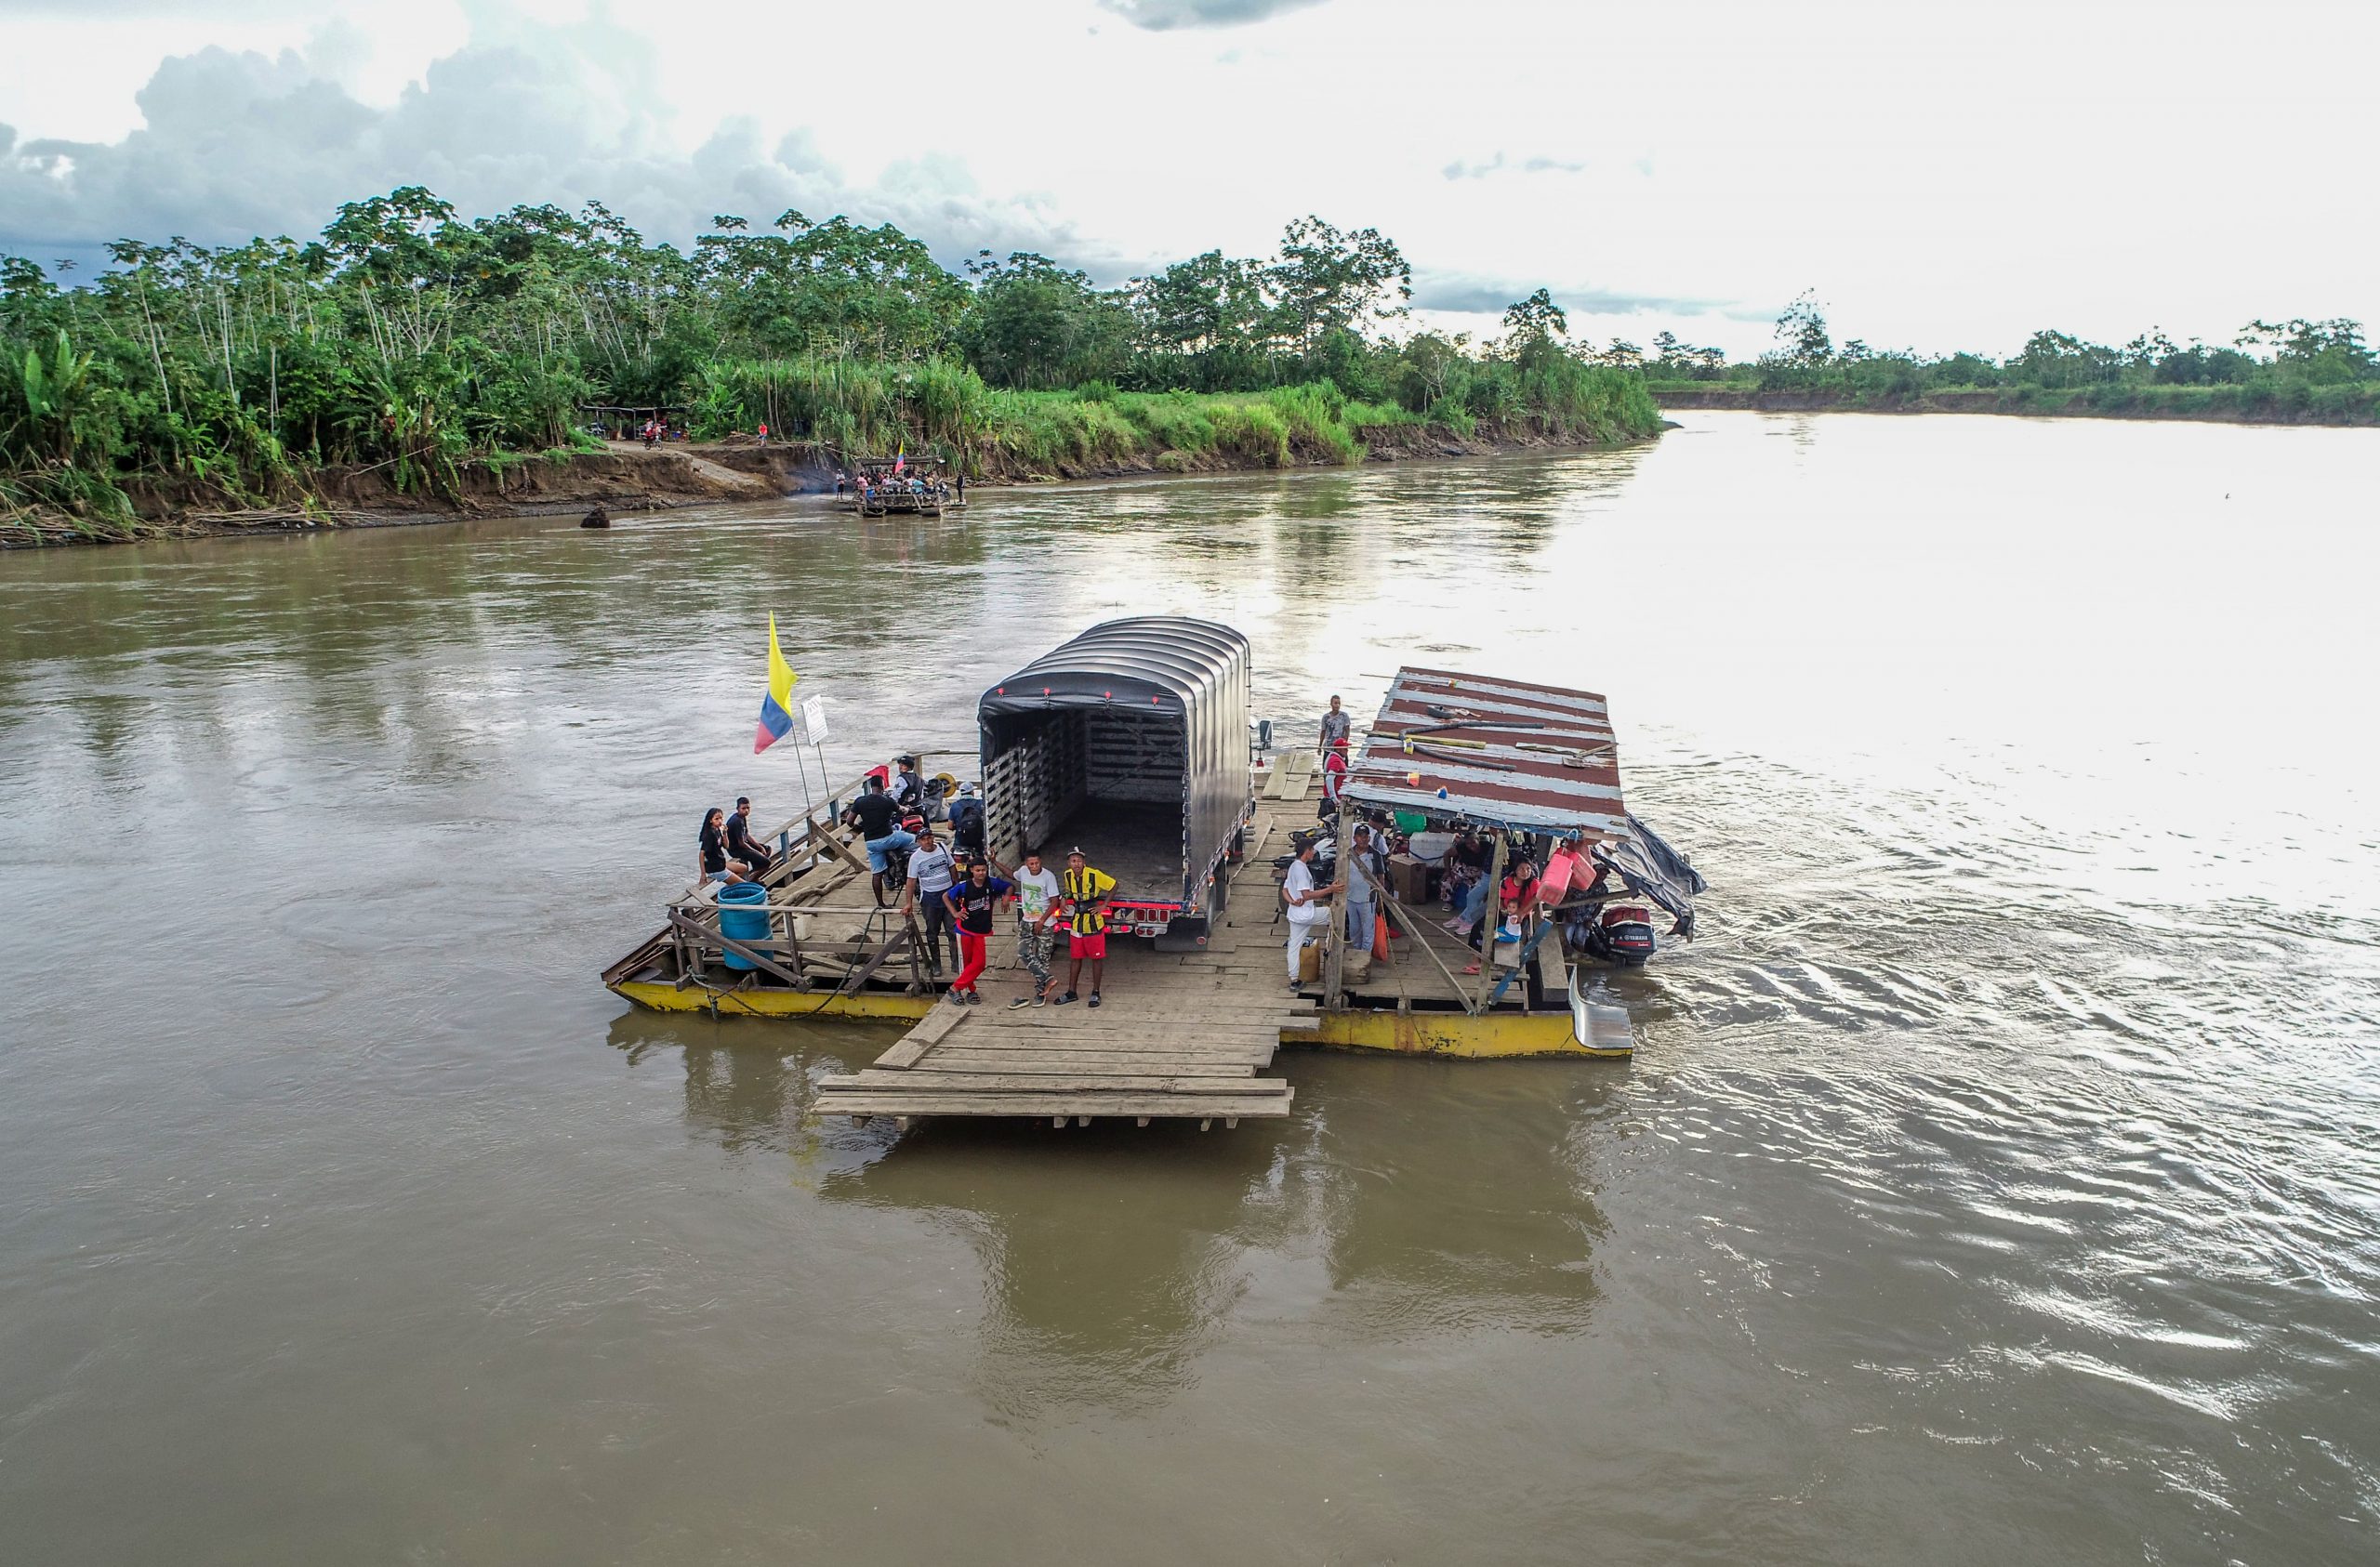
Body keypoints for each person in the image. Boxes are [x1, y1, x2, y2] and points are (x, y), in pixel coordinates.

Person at [940, 858, 1014, 1006]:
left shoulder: (991, 883)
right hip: (965, 929)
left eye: (983, 870)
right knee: (965, 963)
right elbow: (945, 896)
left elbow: (1010, 886)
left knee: (979, 963)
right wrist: (955, 913)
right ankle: (969, 990)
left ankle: (955, 988)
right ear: (972, 871)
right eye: (978, 870)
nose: (981, 873)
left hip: (981, 929)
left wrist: (1006, 897)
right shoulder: (964, 886)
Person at [998, 846, 1064, 1007]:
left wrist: (1042, 920)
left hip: (1045, 923)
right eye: (1031, 864)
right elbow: (1010, 875)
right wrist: (994, 861)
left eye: (1036, 863)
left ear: (1040, 861)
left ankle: (1040, 993)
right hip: (1027, 921)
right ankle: (1048, 979)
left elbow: (1054, 901)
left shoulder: (1048, 877)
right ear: (1026, 864)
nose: (1034, 867)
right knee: (1023, 953)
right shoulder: (1023, 871)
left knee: (1042, 958)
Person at [1052, 849, 1117, 1007]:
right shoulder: (1068, 874)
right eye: (1073, 861)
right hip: (1077, 923)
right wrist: (1063, 899)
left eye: (1079, 861)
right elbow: (1068, 891)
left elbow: (1114, 885)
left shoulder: (1094, 875)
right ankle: (1071, 992)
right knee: (1075, 958)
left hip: (1093, 922)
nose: (1077, 864)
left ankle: (1096, 992)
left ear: (1084, 862)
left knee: (1096, 958)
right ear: (1069, 863)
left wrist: (1105, 905)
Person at [1281, 838, 1342, 990]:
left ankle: (1294, 980)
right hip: (1306, 914)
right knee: (1333, 914)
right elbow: (1307, 895)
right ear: (1307, 851)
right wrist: (1330, 890)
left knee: (1294, 946)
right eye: (1313, 850)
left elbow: (1285, 890)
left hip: (1295, 913)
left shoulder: (1293, 867)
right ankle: (1329, 948)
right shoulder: (1301, 869)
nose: (1314, 852)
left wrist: (1292, 901)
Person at [841, 776, 914, 901]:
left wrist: (859, 828)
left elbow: (849, 821)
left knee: (876, 874)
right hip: (889, 838)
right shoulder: (887, 800)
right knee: (913, 839)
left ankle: (881, 904)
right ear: (882, 786)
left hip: (872, 843)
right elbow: (903, 811)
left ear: (870, 786)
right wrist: (908, 808)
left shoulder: (860, 801)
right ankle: (906, 863)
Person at [902, 826, 960, 975]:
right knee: (932, 932)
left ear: (933, 837)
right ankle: (936, 964)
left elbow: (952, 867)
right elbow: (911, 881)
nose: (927, 841)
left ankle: (956, 962)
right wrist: (908, 902)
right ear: (919, 842)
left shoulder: (942, 847)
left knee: (952, 930)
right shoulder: (916, 858)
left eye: (929, 837)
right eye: (923, 839)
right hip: (930, 899)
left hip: (948, 895)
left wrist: (957, 888)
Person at [1342, 823, 1386, 951]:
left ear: (1369, 838)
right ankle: (1356, 955)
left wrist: (1380, 899)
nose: (1363, 839)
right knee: (1354, 930)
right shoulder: (1348, 854)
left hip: (1368, 900)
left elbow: (1381, 877)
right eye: (1360, 836)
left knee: (1368, 930)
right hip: (1350, 898)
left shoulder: (1376, 855)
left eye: (1366, 836)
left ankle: (1365, 958)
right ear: (1355, 838)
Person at [695, 807, 751, 888]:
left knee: (743, 868)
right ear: (710, 820)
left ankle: (731, 886)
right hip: (715, 869)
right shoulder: (709, 835)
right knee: (745, 885)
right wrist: (703, 874)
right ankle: (732, 887)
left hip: (721, 863)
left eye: (721, 818)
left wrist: (725, 833)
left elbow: (726, 846)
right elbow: (701, 854)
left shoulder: (717, 830)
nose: (720, 821)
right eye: (716, 819)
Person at [725, 796, 773, 879]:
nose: (746, 811)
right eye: (743, 808)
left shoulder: (742, 817)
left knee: (767, 849)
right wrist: (756, 851)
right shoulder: (736, 821)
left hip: (743, 844)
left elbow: (746, 834)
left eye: (748, 808)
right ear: (738, 809)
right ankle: (753, 879)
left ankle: (756, 867)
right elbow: (741, 843)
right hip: (736, 849)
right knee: (767, 863)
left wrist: (760, 847)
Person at [945, 781, 986, 860]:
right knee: (980, 860)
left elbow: (950, 826)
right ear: (972, 792)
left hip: (960, 842)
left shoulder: (955, 805)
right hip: (978, 842)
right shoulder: (980, 803)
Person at [1318, 738, 1349, 822]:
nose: (1347, 751)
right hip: (1335, 797)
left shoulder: (1333, 757)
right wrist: (1334, 798)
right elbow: (1329, 779)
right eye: (1345, 749)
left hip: (1335, 794)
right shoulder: (1336, 761)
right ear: (1338, 749)